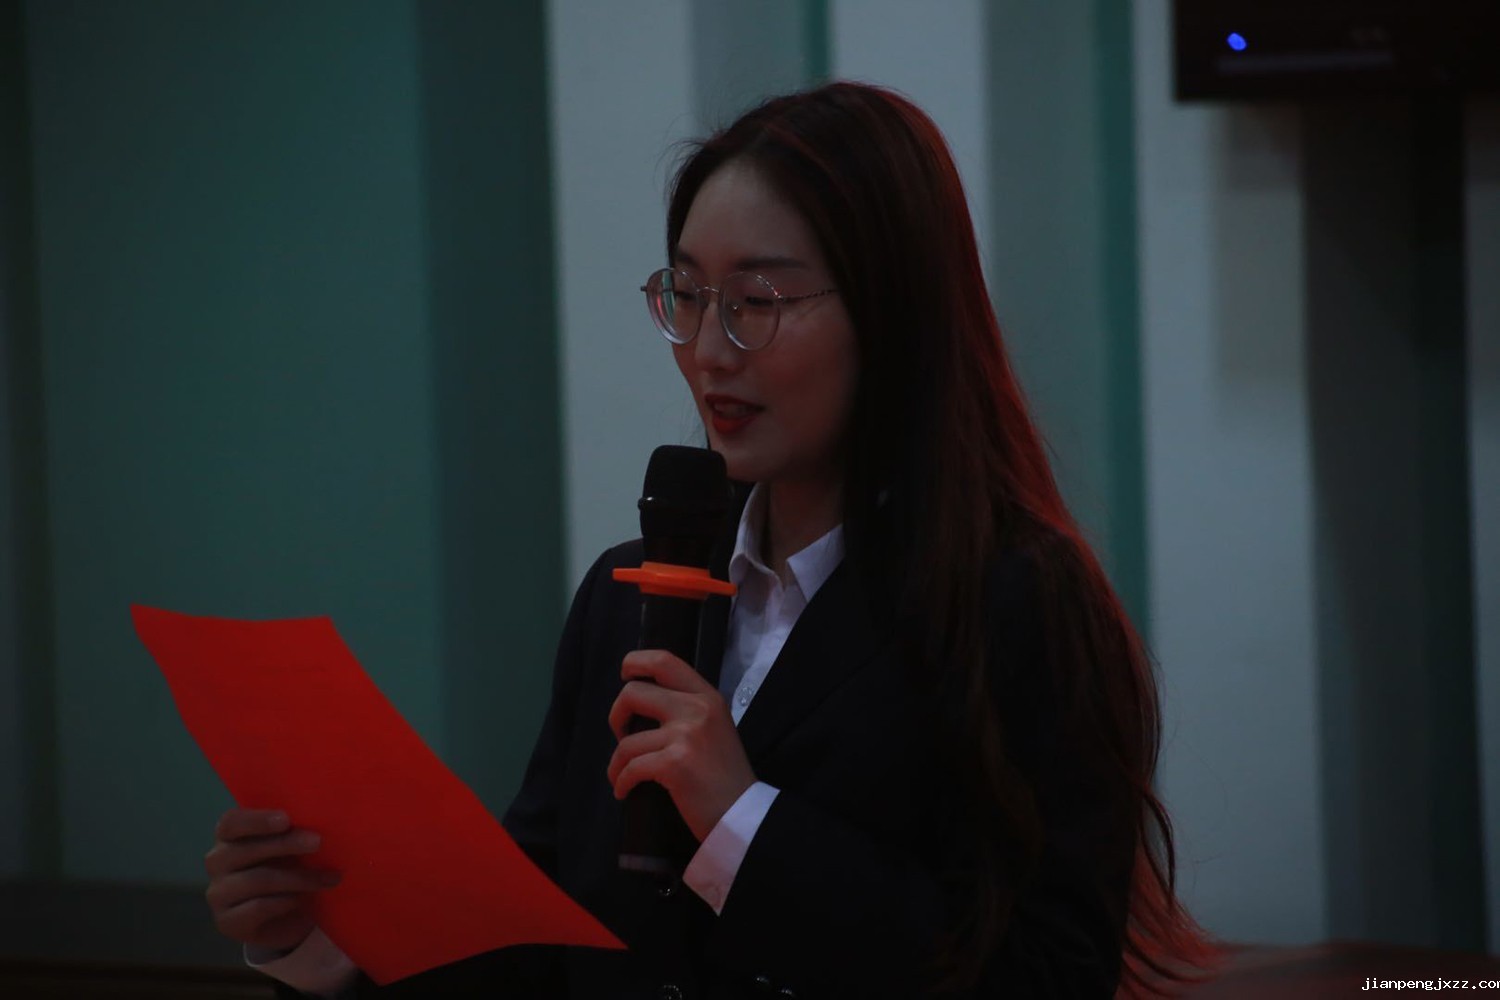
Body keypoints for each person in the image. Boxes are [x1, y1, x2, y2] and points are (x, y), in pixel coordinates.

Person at [203, 81, 1213, 998]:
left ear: (893, 313)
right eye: (687, 296)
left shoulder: (1015, 603)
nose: (708, 351)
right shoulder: (627, 595)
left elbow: (1047, 976)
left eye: (758, 303)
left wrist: (742, 821)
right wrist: (322, 946)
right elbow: (540, 946)